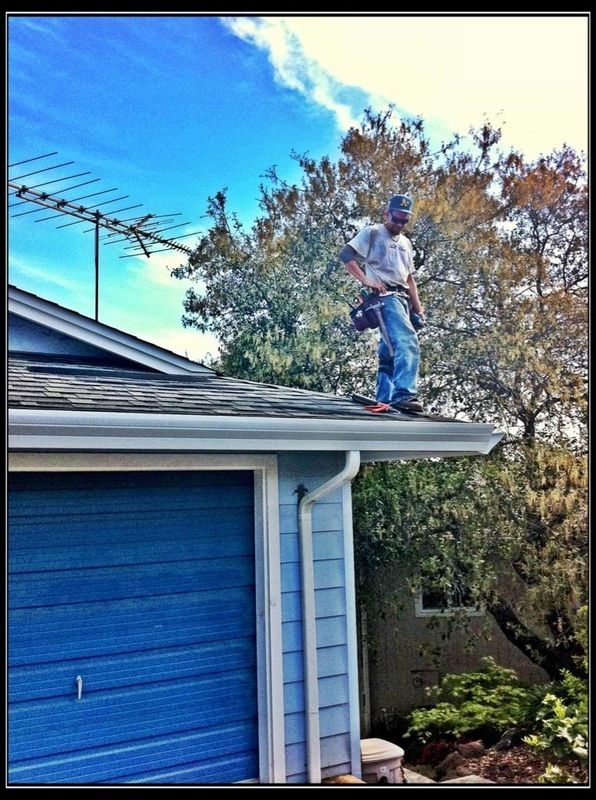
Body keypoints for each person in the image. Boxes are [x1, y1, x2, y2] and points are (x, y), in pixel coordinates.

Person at [339, 194, 425, 413]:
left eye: (404, 221)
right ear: (387, 214)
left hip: (403, 299)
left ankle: (384, 398)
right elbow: (346, 255)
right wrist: (365, 279)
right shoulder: (373, 232)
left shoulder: (406, 243)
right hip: (386, 298)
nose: (399, 224)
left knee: (389, 351)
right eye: (396, 219)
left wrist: (418, 307)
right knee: (407, 342)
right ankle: (404, 394)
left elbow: (409, 279)